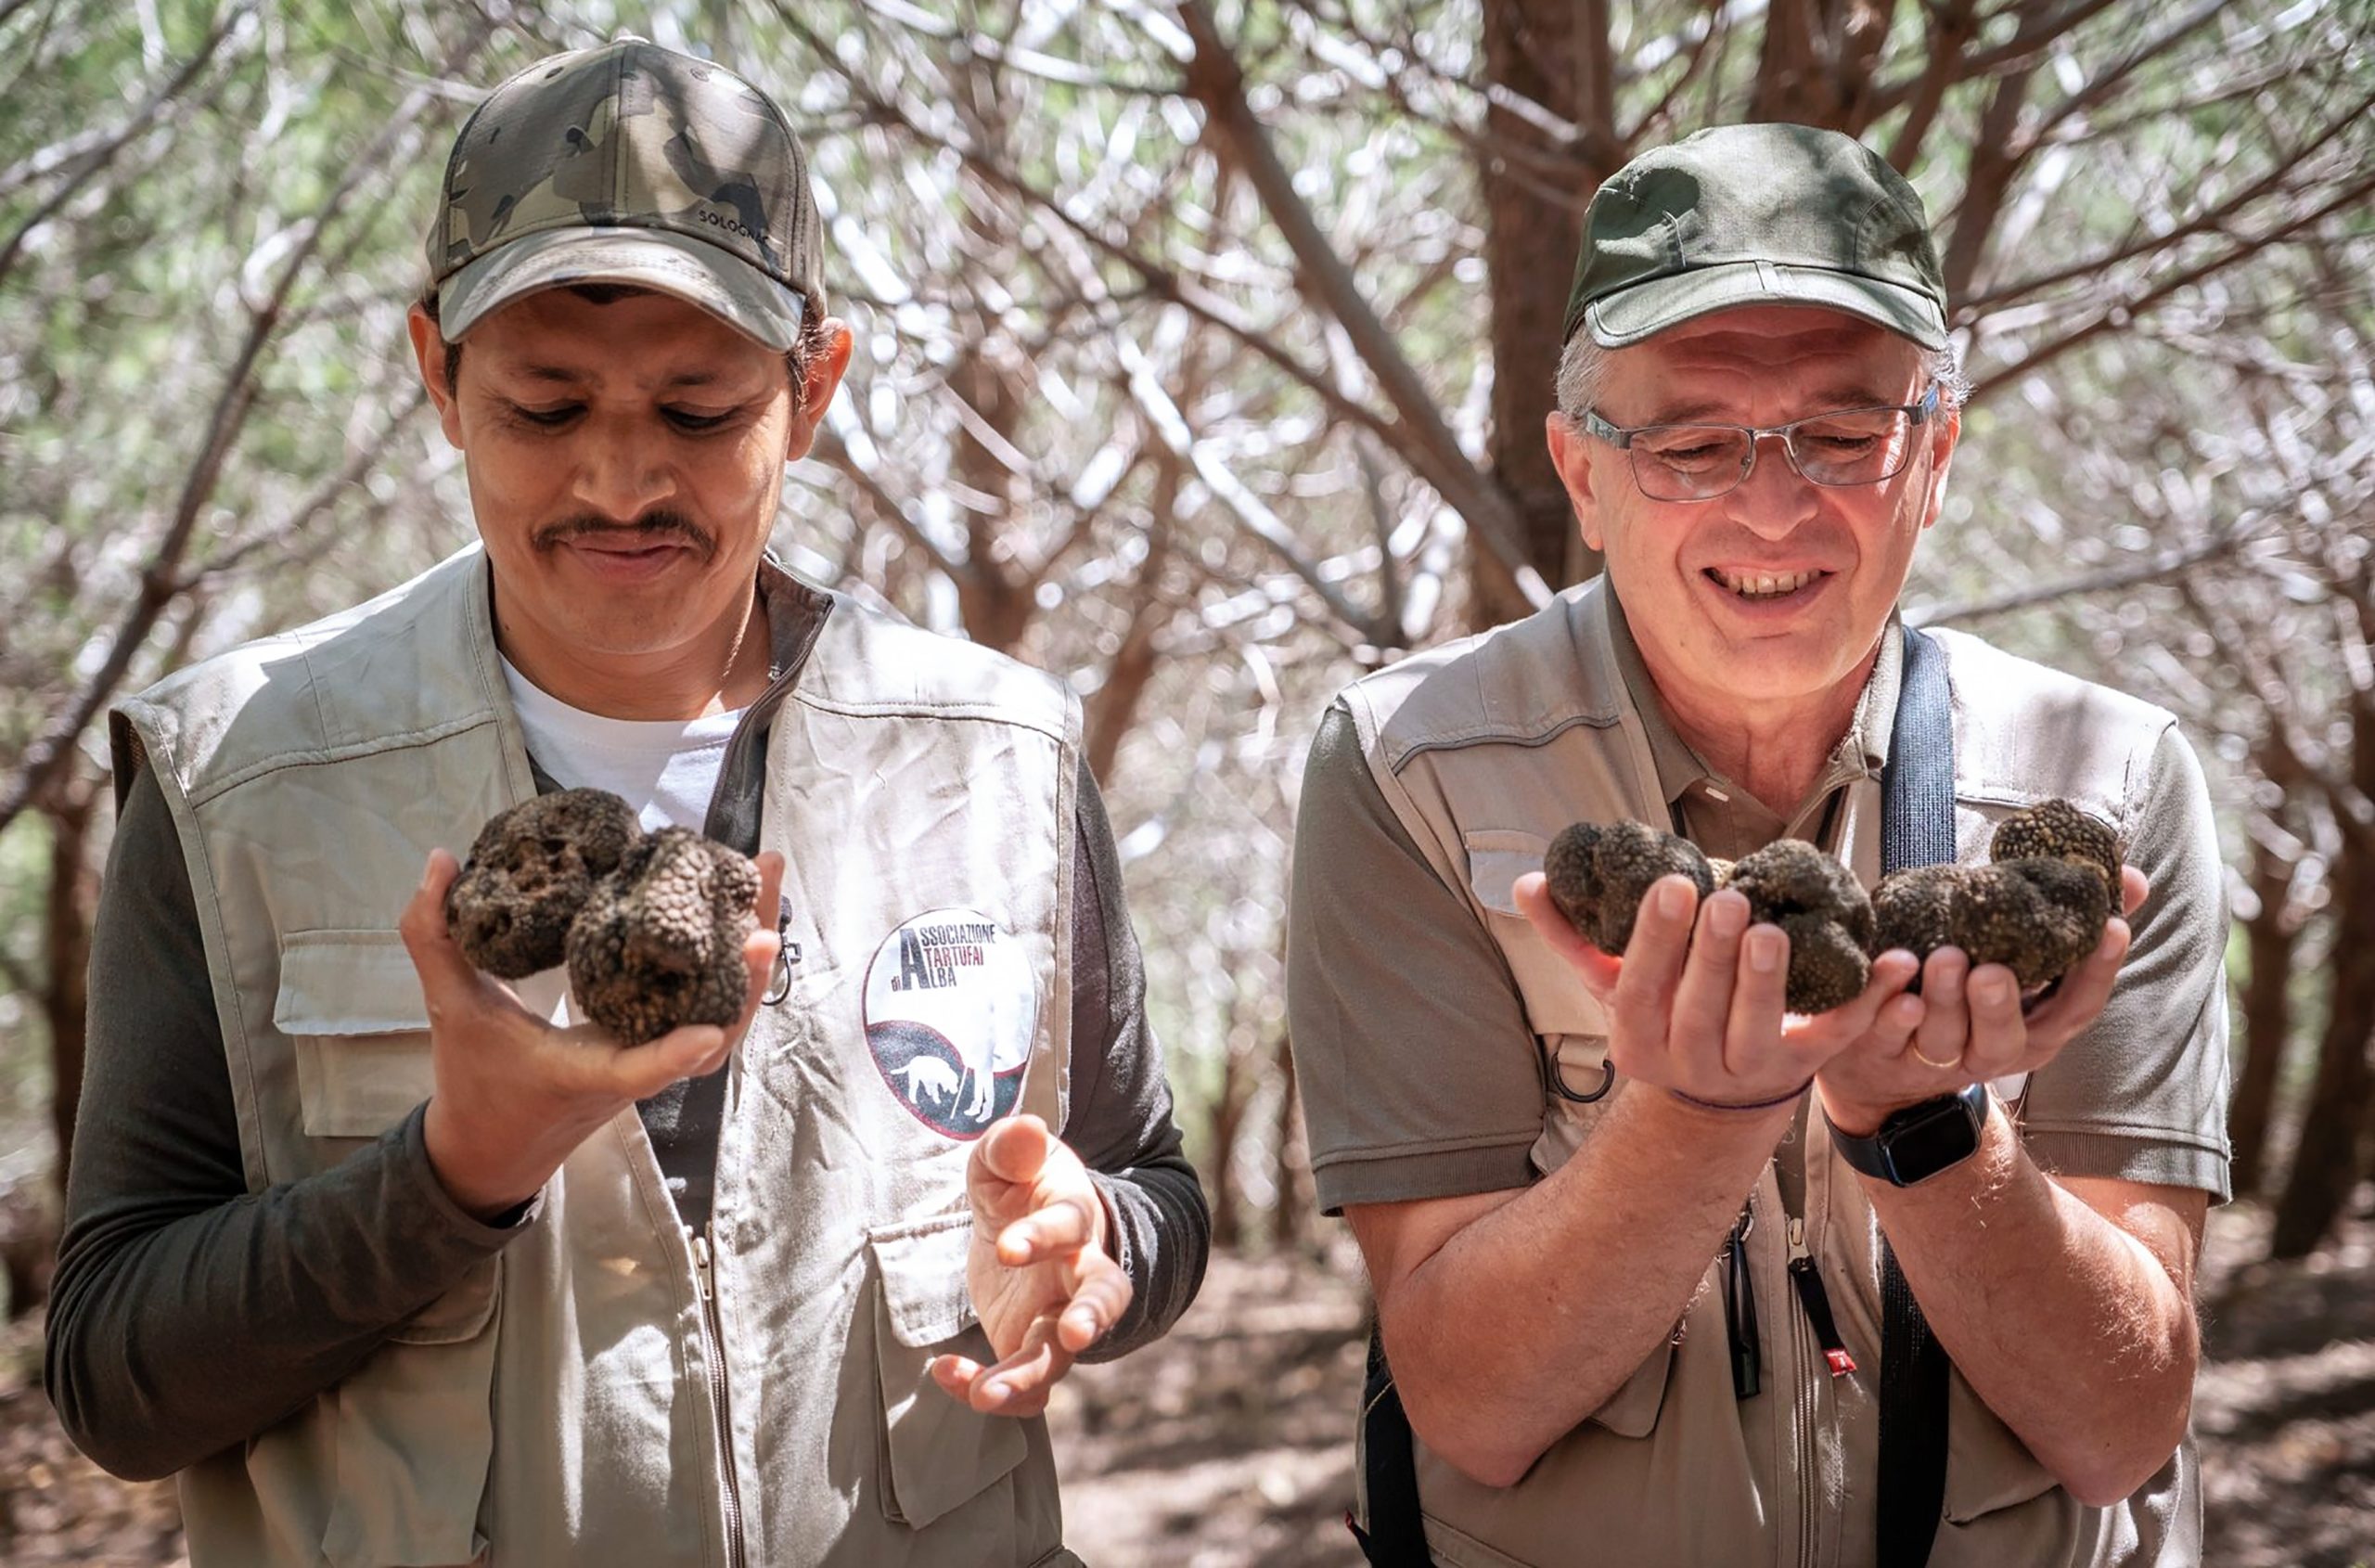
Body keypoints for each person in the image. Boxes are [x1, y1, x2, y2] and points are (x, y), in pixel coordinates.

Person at [46, 35, 1207, 1568]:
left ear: (815, 386)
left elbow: (1154, 1197)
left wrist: (1095, 1246)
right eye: (543, 407)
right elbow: (115, 1382)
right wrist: (452, 1175)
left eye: (698, 409)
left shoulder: (993, 757)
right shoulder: (240, 780)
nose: (618, 480)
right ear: (435, 378)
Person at [1289, 122, 2228, 1567]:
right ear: (1582, 476)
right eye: (1694, 441)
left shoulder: (2111, 786)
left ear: (1935, 455)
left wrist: (1921, 1120)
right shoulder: (1409, 772)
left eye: (1843, 434)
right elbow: (1469, 1406)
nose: (1774, 502)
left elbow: (2121, 1428)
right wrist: (1693, 1114)